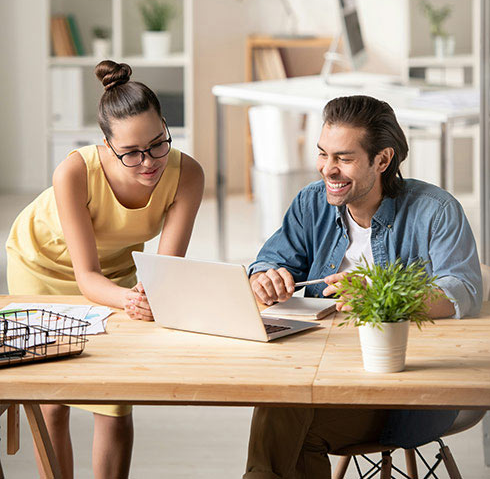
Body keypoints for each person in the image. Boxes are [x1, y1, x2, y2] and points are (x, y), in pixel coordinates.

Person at [243, 95, 482, 479]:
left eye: (344, 158)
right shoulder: (311, 203)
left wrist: (379, 295)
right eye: (323, 154)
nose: (327, 169)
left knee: (290, 429)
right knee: (279, 399)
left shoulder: (435, 210)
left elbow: (461, 290)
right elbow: (272, 259)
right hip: (323, 377)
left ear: (382, 160)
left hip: (406, 394)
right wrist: (266, 276)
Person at [6, 60, 204, 479]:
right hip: (42, 263)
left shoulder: (188, 175)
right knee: (53, 400)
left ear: (166, 126)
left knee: (114, 399)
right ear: (106, 145)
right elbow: (85, 277)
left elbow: (163, 273)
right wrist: (133, 298)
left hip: (115, 271)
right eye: (131, 152)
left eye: (157, 143)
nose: (149, 162)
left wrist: (150, 294)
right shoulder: (74, 172)